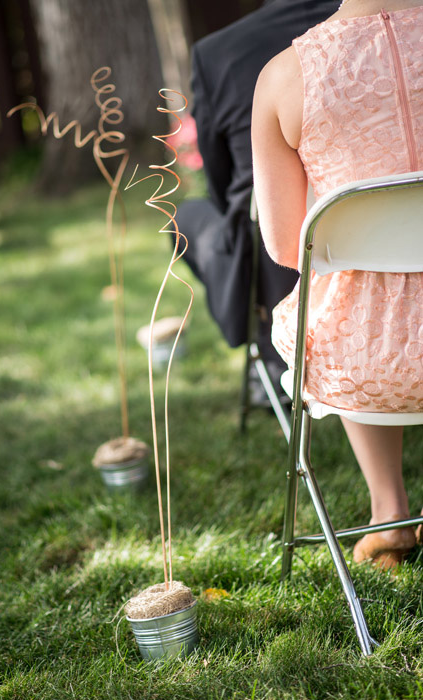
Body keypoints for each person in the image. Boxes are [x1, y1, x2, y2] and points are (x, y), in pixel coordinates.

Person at [252, 0, 423, 568]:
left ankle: (389, 514)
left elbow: (286, 246)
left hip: (367, 362)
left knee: (346, 304)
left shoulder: (285, 76)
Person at [176, 0, 337, 394]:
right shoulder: (381, 33)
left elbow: (218, 178)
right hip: (373, 223)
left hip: (279, 253)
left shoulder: (219, 51)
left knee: (189, 216)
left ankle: (267, 350)